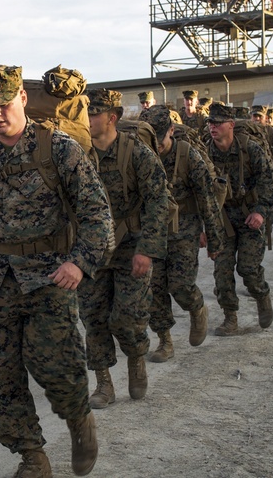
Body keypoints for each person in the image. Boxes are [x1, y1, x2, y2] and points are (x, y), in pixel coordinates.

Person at [0, 65, 113, 477]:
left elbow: (97, 216)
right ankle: (32, 456)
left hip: (50, 279)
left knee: (60, 369)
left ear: (22, 100)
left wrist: (81, 263)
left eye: (3, 104)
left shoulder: (59, 149)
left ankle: (79, 421)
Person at [78, 89, 172, 410]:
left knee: (127, 318)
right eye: (85, 113)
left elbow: (159, 200)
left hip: (131, 246)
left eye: (93, 114)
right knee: (93, 316)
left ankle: (136, 358)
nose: (87, 120)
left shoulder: (136, 154)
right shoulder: (79, 155)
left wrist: (148, 248)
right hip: (91, 249)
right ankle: (104, 383)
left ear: (112, 118)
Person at [143, 106, 223, 361]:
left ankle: (196, 307)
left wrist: (213, 238)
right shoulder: (142, 155)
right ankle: (164, 341)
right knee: (153, 289)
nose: (155, 144)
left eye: (159, 137)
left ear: (171, 131)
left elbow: (207, 199)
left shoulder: (189, 156)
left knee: (180, 285)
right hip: (153, 231)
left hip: (185, 229)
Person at [205, 103, 273, 336]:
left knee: (248, 269)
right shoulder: (205, 154)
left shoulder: (251, 150)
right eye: (210, 123)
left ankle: (261, 294)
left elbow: (267, 184)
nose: (213, 127)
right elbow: (200, 192)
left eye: (218, 123)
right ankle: (230, 318)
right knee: (222, 272)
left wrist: (260, 212)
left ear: (231, 126)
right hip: (223, 220)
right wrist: (203, 227)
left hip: (249, 216)